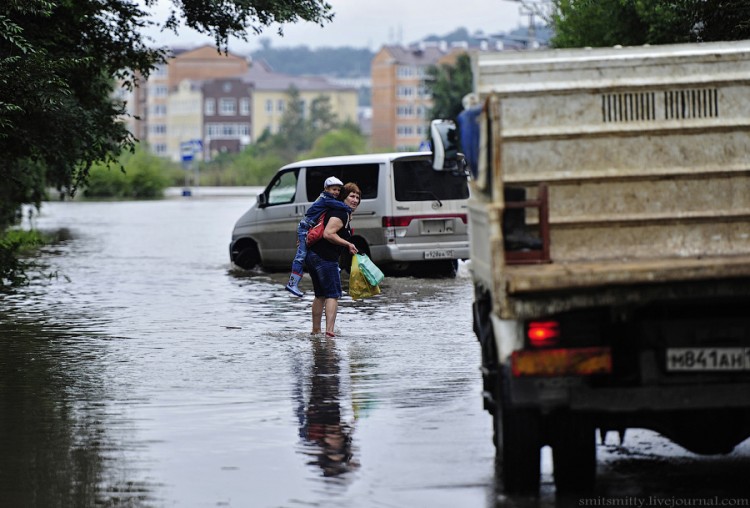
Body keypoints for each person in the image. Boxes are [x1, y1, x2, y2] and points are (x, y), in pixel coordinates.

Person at [306, 183, 361, 337]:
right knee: (333, 294)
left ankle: (316, 331)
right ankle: (329, 332)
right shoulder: (341, 213)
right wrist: (348, 243)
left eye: (358, 197)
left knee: (320, 295)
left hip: (312, 256)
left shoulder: (339, 211)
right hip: (325, 258)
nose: (355, 200)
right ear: (343, 197)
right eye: (352, 196)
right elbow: (328, 234)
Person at [285, 176, 352, 297]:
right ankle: (292, 283)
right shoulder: (326, 199)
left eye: (338, 190)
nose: (336, 192)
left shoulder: (327, 199)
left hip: (309, 227)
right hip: (305, 228)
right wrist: (349, 210)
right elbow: (341, 206)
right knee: (300, 256)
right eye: (333, 189)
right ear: (326, 189)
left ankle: (332, 268)